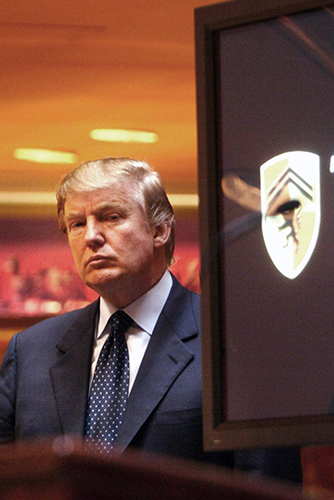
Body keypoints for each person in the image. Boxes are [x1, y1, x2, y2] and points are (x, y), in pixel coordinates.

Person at [0, 158, 229, 464]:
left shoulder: (226, 338)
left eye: (111, 217)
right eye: (77, 224)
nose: (91, 236)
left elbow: (263, 479)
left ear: (160, 230)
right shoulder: (30, 351)